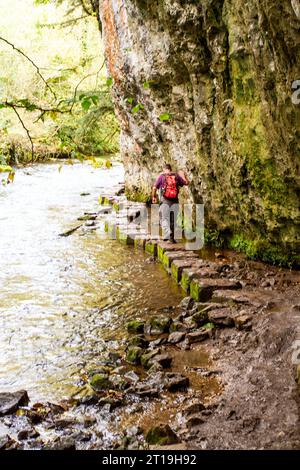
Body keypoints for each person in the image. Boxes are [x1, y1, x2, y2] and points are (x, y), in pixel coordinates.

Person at [152, 164, 189, 242]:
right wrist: (183, 176)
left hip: (165, 201)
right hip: (175, 201)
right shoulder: (176, 176)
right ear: (170, 169)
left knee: (163, 218)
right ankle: (172, 239)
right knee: (173, 220)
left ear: (164, 169)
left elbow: (154, 188)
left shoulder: (162, 176)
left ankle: (167, 232)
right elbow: (186, 183)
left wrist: (154, 197)